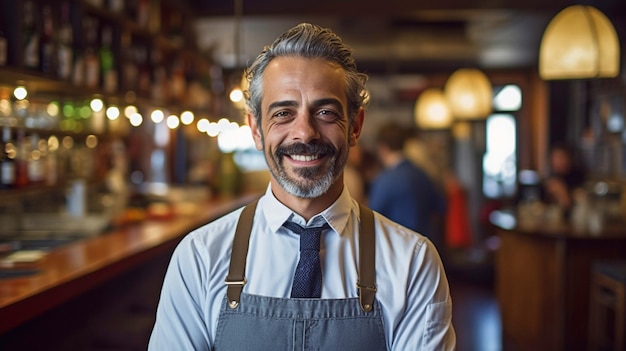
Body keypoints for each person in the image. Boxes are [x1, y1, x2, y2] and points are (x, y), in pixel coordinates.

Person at [148, 23, 455, 350]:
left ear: (355, 126)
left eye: (325, 112)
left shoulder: (412, 263)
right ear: (256, 129)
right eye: (283, 113)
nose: (304, 133)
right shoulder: (199, 257)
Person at [368, 122, 448, 250]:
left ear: (382, 147)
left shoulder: (384, 180)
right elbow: (441, 206)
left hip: (398, 249)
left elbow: (371, 219)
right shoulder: (421, 174)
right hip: (425, 247)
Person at [543, 142, 586, 216]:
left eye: (561, 158)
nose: (558, 162)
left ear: (570, 159)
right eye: (556, 158)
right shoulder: (549, 179)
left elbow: (577, 211)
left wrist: (562, 192)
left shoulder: (578, 179)